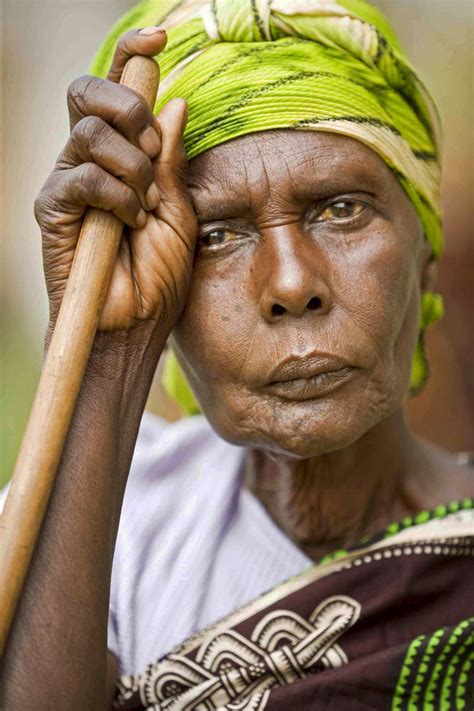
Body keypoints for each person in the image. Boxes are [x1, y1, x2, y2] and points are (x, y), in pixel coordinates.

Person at [1, 1, 473, 709]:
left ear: (426, 256)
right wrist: (107, 352)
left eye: (341, 208)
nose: (290, 283)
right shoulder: (118, 529)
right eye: (216, 234)